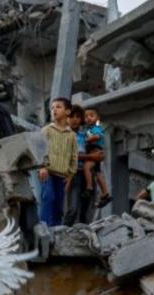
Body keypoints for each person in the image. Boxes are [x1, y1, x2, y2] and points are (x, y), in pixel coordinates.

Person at [39, 97, 78, 227]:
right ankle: (43, 228)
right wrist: (42, 167)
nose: (54, 110)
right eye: (52, 108)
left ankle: (56, 231)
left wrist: (71, 175)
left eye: (58, 107)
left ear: (67, 111)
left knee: (58, 205)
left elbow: (74, 156)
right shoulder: (47, 130)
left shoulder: (71, 135)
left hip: (62, 176)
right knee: (48, 198)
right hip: (48, 172)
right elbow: (39, 149)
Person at [83, 108, 111, 208]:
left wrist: (86, 140)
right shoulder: (87, 129)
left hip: (95, 151)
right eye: (86, 117)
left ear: (97, 118)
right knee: (98, 173)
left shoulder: (96, 128)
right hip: (93, 151)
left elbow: (97, 136)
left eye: (91, 116)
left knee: (87, 167)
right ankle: (105, 192)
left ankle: (89, 186)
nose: (88, 118)